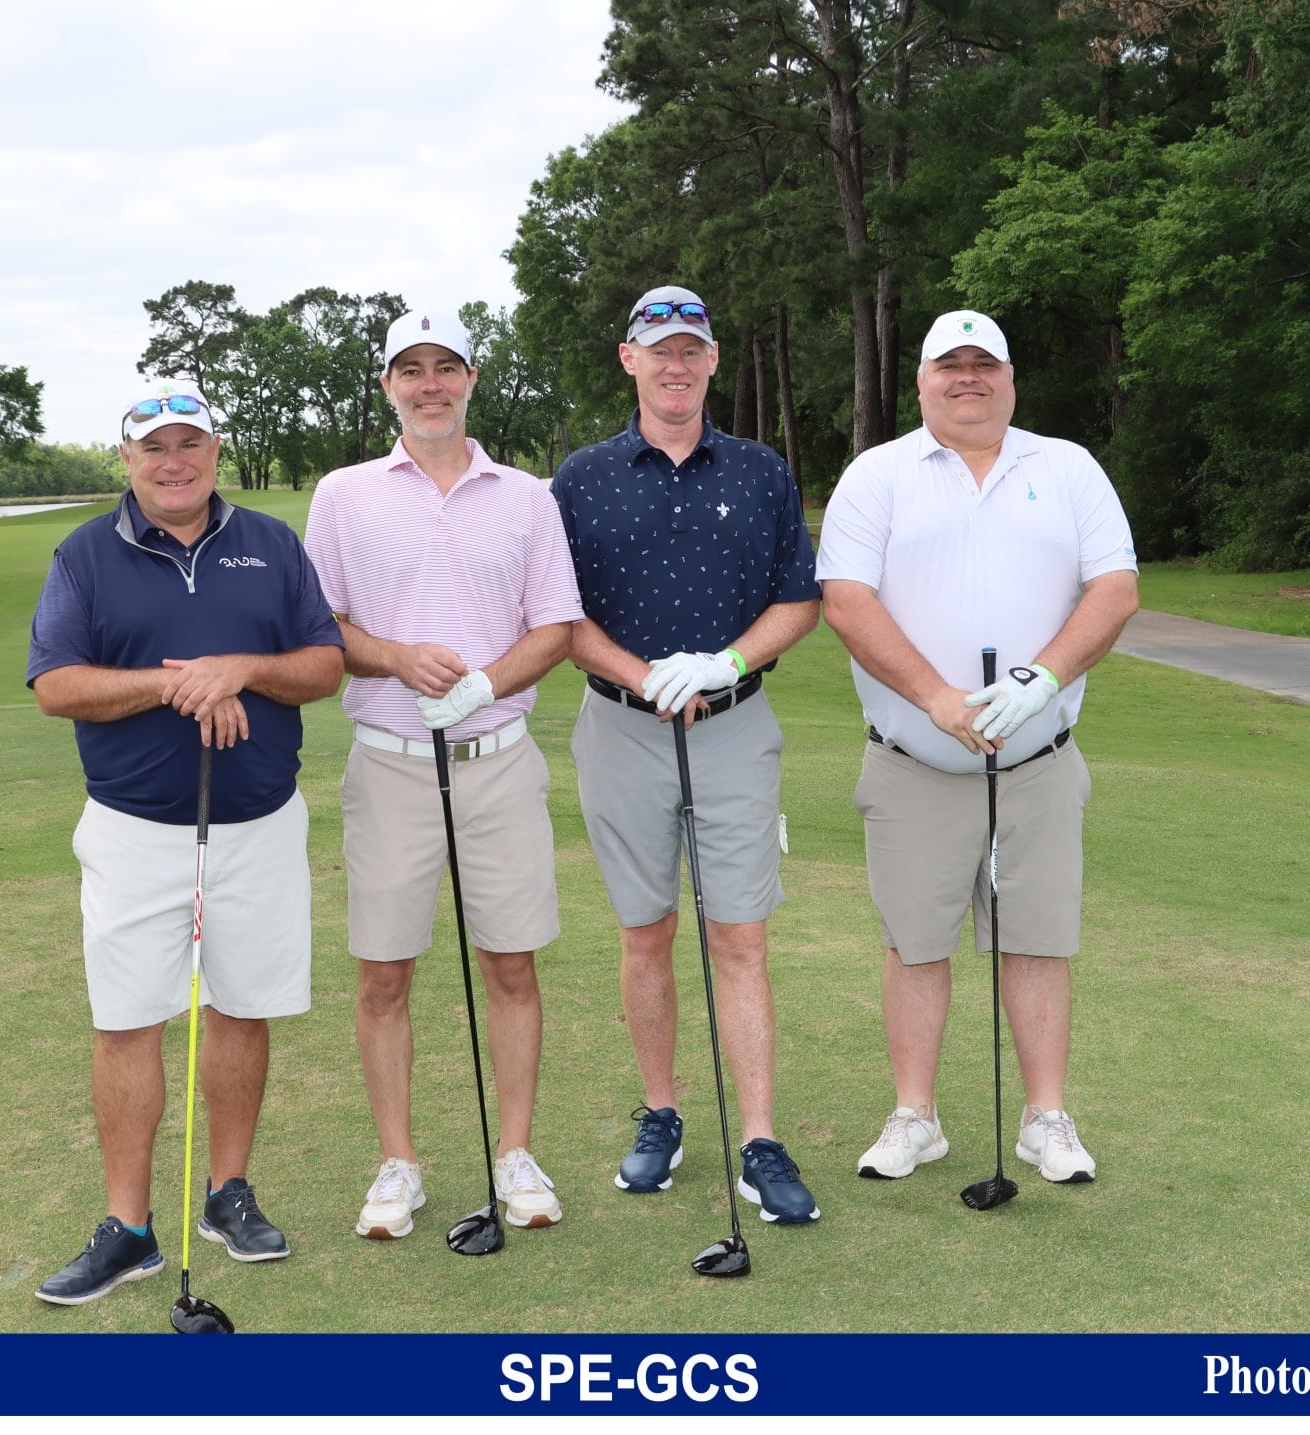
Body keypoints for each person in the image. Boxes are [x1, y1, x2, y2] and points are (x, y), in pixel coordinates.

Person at [24, 383, 344, 1301]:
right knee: (127, 1021)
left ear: (216, 451)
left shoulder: (272, 544)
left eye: (190, 444)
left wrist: (241, 669)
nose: (174, 462)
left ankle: (228, 1193)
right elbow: (56, 684)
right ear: (127, 459)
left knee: (242, 1007)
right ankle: (129, 1228)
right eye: (155, 447)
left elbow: (324, 664)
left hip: (259, 823)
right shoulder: (85, 555)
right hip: (133, 829)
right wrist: (180, 685)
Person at [816, 310, 1140, 1187]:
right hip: (913, 760)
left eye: (984, 364)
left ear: (1010, 379)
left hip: (1037, 760)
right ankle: (914, 1116)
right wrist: (935, 696)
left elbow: (1115, 588)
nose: (969, 378)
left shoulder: (1067, 467)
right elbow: (845, 600)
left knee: (1038, 937)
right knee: (915, 941)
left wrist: (1042, 677)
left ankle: (1046, 1118)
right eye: (949, 365)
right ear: (921, 381)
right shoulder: (878, 475)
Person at [548, 284, 824, 1226]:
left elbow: (799, 598)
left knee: (739, 934)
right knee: (646, 930)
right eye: (658, 348)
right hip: (621, 726)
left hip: (735, 724)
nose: (676, 364)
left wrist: (726, 661)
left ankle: (760, 1139)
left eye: (691, 350)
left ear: (711, 361)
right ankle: (662, 1113)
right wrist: (645, 674)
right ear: (629, 359)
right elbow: (559, 615)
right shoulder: (581, 477)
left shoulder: (760, 469)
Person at [305, 308, 583, 1239]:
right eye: (411, 369)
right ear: (387, 384)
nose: (430, 384)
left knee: (511, 963)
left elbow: (556, 625)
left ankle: (515, 1153)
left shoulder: (528, 497)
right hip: (390, 766)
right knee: (384, 972)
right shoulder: (343, 495)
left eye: (446, 366)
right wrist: (396, 658)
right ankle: (399, 1162)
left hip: (498, 761)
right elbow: (320, 625)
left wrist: (482, 685)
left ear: (471, 378)